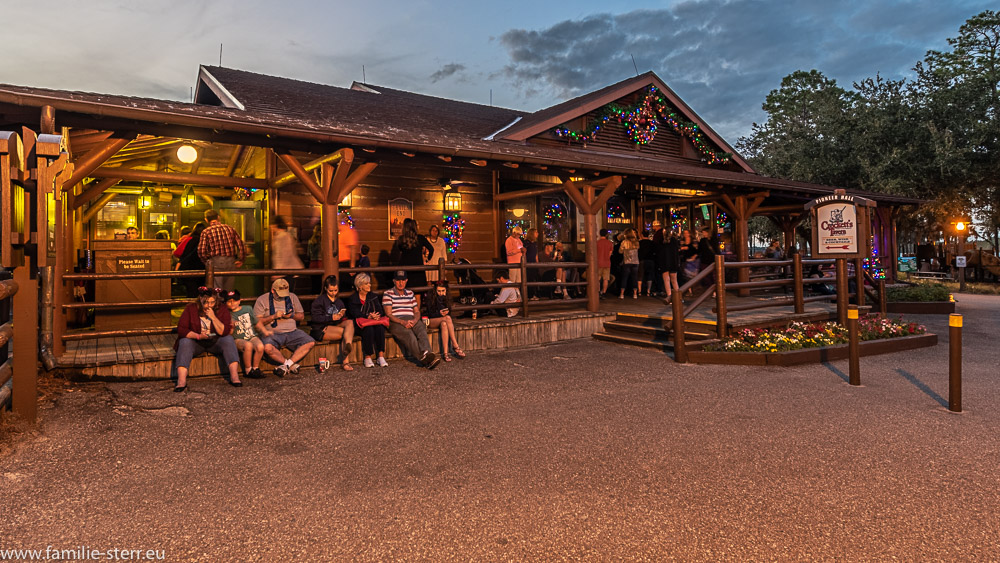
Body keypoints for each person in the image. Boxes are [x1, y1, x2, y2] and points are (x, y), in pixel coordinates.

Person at [173, 287, 241, 391]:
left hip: (215, 341)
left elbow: (225, 331)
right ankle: (181, 381)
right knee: (184, 341)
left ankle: (234, 376)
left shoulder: (222, 309)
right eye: (206, 302)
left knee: (228, 339)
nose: (209, 305)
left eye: (212, 302)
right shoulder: (191, 308)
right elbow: (181, 329)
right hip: (197, 341)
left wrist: (213, 317)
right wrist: (198, 336)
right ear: (200, 299)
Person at [253, 278, 315, 377]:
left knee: (310, 342)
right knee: (267, 347)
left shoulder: (292, 297)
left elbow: (301, 316)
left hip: (292, 331)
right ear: (273, 290)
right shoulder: (262, 299)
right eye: (279, 294)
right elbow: (257, 322)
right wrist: (273, 317)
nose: (283, 296)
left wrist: (291, 316)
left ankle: (286, 365)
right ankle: (291, 365)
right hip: (272, 333)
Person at [382, 270, 440, 369]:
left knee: (421, 329)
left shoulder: (410, 293)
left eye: (403, 280)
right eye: (398, 280)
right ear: (394, 281)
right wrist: (403, 322)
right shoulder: (388, 294)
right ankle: (424, 358)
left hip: (411, 318)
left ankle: (427, 354)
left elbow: (417, 311)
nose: (401, 283)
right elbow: (389, 314)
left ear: (406, 280)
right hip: (396, 320)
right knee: (409, 335)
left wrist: (415, 320)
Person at [310, 275, 355, 371]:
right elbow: (315, 318)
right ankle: (346, 361)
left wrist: (341, 316)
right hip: (322, 328)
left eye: (335, 290)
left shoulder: (339, 302)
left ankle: (348, 344)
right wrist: (331, 317)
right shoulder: (319, 301)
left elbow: (343, 319)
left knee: (350, 323)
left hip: (336, 324)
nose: (333, 293)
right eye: (331, 291)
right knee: (345, 333)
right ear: (326, 288)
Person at [346, 273, 389, 368]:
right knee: (368, 329)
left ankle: (380, 356)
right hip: (359, 324)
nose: (369, 285)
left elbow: (380, 310)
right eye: (366, 283)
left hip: (373, 321)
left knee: (380, 327)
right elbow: (354, 313)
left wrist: (376, 316)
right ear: (360, 286)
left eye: (369, 283)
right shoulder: (353, 299)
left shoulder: (373, 296)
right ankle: (367, 356)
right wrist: (367, 316)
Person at [198, 209, 247, 291]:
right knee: (229, 289)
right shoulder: (230, 228)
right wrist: (241, 259)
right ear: (218, 217)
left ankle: (219, 303)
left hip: (215, 261)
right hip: (230, 261)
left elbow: (201, 251)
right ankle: (227, 303)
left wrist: (207, 262)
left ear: (206, 220)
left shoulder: (206, 232)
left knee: (216, 289)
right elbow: (241, 245)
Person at [225, 289, 265, 379]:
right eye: (229, 301)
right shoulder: (227, 314)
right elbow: (228, 333)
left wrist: (264, 331)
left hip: (251, 335)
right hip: (237, 338)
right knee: (248, 345)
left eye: (235, 300)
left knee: (260, 346)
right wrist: (232, 326)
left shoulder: (248, 308)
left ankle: (255, 368)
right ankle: (248, 369)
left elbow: (256, 322)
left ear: (239, 301)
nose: (232, 303)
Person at [391, 218, 434, 293]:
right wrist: (427, 259)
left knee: (405, 291)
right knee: (418, 292)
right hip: (418, 267)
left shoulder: (401, 239)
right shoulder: (420, 238)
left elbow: (399, 251)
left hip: (405, 267)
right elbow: (431, 249)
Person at [425, 280, 466, 362]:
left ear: (446, 290)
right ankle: (456, 346)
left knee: (444, 324)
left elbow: (449, 312)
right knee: (447, 319)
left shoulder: (447, 298)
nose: (441, 293)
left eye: (443, 291)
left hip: (442, 320)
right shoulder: (431, 297)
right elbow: (429, 313)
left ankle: (445, 353)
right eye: (439, 291)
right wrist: (439, 313)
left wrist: (446, 312)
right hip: (431, 320)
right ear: (435, 290)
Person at [269, 216, 304, 289]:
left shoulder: (280, 237)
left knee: (283, 295)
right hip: (290, 270)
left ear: (275, 225)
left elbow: (281, 255)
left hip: (285, 272)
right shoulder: (287, 235)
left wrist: (277, 272)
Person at [178, 222, 207, 298]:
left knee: (191, 292)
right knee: (200, 292)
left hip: (188, 269)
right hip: (200, 269)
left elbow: (179, 253)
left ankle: (191, 308)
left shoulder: (189, 240)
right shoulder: (204, 241)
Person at [618, 228, 640, 299]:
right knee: (634, 278)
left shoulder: (624, 242)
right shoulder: (637, 242)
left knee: (624, 278)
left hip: (627, 262)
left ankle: (622, 294)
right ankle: (635, 294)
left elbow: (620, 252)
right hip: (635, 261)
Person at [338, 214, 358, 290]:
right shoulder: (339, 232)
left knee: (344, 287)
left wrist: (352, 266)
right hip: (338, 263)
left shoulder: (348, 231)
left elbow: (352, 248)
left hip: (345, 263)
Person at [638, 229, 656, 297]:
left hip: (641, 260)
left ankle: (639, 291)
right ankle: (648, 291)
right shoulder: (652, 243)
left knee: (640, 276)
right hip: (650, 260)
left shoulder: (639, 243)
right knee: (649, 276)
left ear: (641, 235)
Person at [596, 229, 613, 297]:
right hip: (607, 263)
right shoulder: (609, 243)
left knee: (598, 279)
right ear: (606, 234)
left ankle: (597, 292)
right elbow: (610, 254)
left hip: (598, 262)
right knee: (606, 279)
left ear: (600, 234)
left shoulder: (597, 242)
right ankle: (604, 292)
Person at [523, 228, 539, 300]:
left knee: (533, 279)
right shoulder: (526, 243)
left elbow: (535, 255)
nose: (537, 234)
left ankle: (533, 294)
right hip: (528, 264)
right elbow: (524, 253)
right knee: (528, 280)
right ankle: (529, 295)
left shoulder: (535, 244)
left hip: (534, 264)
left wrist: (537, 263)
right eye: (536, 232)